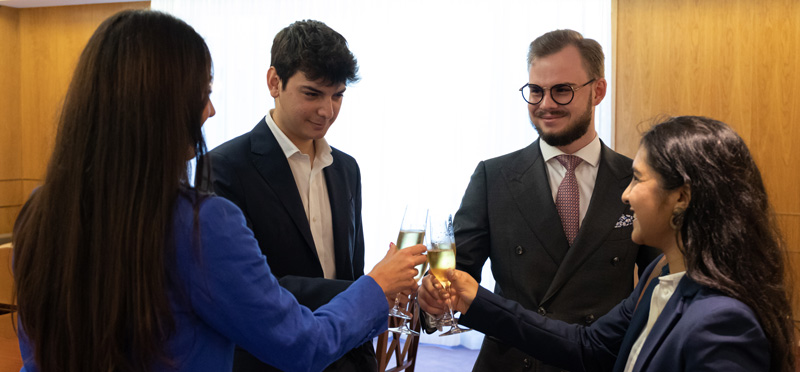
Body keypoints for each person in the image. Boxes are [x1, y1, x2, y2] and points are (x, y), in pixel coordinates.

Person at [12, 10, 427, 372]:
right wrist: (374, 288)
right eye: (204, 94)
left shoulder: (38, 212)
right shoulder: (201, 221)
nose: (210, 111)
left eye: (337, 96)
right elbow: (301, 344)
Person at [421, 116, 797, 372]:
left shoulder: (723, 323)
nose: (625, 195)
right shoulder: (660, 275)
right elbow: (588, 346)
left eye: (637, 179)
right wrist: (475, 299)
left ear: (681, 197)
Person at [436, 29, 658, 371]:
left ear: (597, 91)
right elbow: (455, 282)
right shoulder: (493, 177)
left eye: (562, 91)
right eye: (535, 91)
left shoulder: (636, 180)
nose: (546, 104)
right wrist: (432, 301)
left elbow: (657, 288)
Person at [206, 19, 380, 372]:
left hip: (346, 358)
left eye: (338, 95)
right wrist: (372, 290)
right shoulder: (224, 168)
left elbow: (349, 268)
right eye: (312, 93)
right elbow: (258, 289)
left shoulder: (346, 169)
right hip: (269, 360)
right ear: (274, 82)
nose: (327, 110)